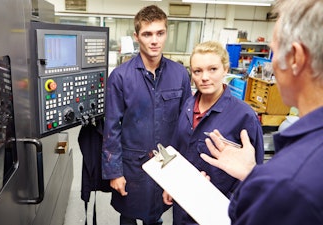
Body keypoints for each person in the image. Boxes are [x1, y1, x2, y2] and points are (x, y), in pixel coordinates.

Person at [201, 0, 323, 224]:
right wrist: (251, 173)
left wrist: (255, 186)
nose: (272, 65)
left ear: (295, 58)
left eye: (274, 52)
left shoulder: (286, 183)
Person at [102, 5, 192, 225]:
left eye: (160, 33)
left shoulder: (179, 74)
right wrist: (115, 172)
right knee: (129, 215)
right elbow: (111, 127)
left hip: (168, 163)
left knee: (157, 214)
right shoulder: (120, 77)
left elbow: (186, 124)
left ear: (166, 33)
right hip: (133, 166)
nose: (154, 40)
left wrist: (185, 170)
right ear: (136, 36)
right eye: (147, 34)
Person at [162, 41, 264, 225]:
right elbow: (178, 150)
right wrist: (172, 184)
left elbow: (254, 174)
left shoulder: (244, 116)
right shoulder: (187, 106)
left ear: (225, 69)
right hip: (184, 203)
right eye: (197, 71)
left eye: (213, 69)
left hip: (217, 210)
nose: (204, 77)